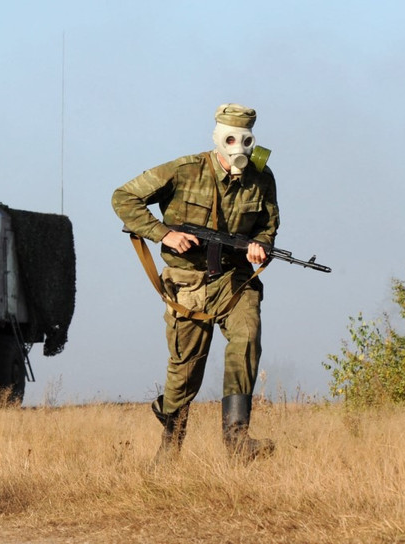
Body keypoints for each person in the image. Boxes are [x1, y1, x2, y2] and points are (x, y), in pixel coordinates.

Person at [111, 104, 279, 464]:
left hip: (234, 281)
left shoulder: (262, 178)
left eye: (245, 140)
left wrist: (260, 246)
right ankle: (170, 441)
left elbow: (268, 225)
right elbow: (123, 197)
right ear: (217, 138)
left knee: (247, 337)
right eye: (231, 139)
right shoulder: (185, 170)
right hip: (187, 284)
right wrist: (163, 234)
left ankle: (236, 438)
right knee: (185, 370)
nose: (238, 147)